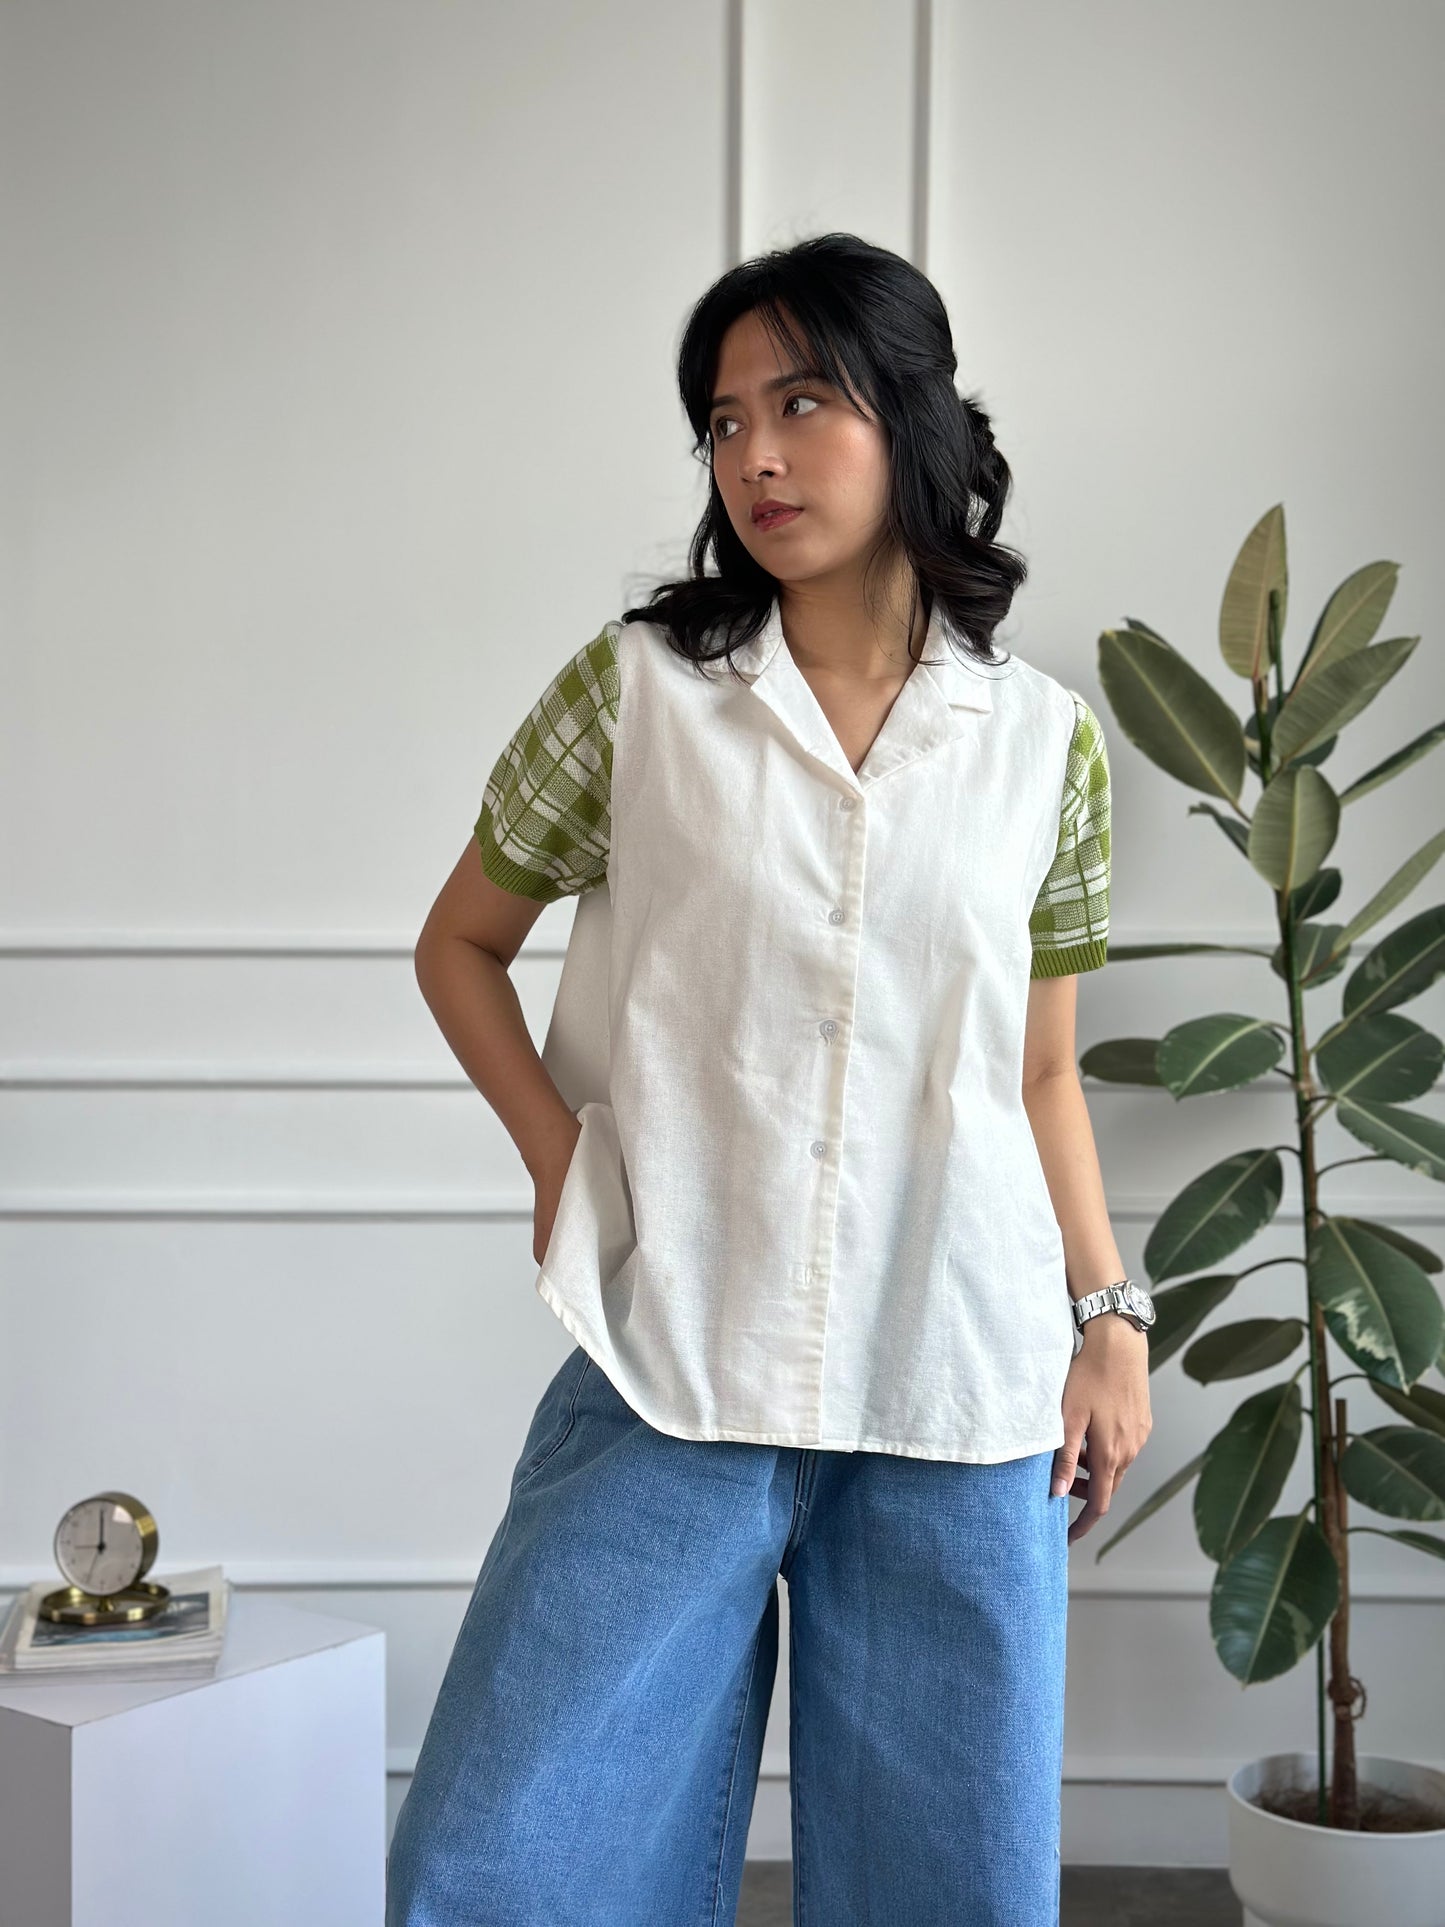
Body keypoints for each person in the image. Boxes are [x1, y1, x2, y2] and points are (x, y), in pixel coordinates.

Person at [387, 232, 1153, 1927]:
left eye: (800, 404)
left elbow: (1039, 1070)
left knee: (950, 1892)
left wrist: (1109, 1316)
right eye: (724, 422)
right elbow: (459, 946)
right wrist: (561, 1159)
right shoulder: (637, 695)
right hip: (670, 1354)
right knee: (499, 1866)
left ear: (909, 415)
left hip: (959, 1375)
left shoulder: (1045, 745)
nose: (755, 457)